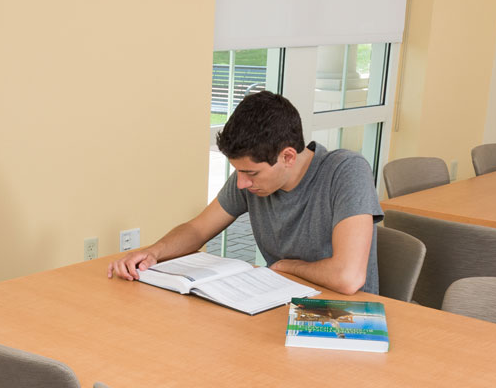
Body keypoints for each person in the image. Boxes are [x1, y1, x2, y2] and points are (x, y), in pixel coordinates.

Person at [108, 91, 383, 295]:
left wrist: (287, 266)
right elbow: (198, 229)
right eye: (238, 171)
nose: (241, 184)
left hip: (346, 319)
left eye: (250, 173)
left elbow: (348, 277)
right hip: (279, 303)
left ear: (288, 156)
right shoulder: (253, 179)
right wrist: (153, 252)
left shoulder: (346, 171)